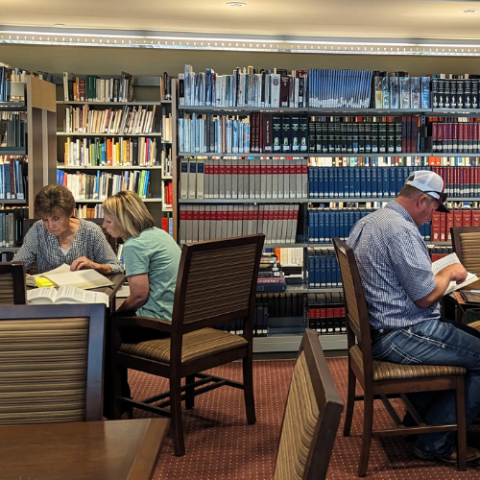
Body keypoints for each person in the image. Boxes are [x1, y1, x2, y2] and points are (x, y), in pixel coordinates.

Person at [347, 170, 480, 464]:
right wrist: (447, 273)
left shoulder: (370, 221)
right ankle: (435, 443)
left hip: (381, 328)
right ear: (422, 200)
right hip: (400, 334)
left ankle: (422, 421)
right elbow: (425, 297)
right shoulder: (401, 230)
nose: (433, 216)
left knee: (469, 338)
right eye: (434, 208)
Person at [102, 190, 181, 320]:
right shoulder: (159, 233)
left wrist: (116, 314)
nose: (104, 226)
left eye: (108, 221)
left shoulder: (135, 245)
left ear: (123, 221)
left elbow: (139, 297)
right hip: (176, 314)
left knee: (105, 325)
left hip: (157, 319)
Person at [14, 184, 123, 274]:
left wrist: (96, 266)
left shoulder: (91, 231)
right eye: (45, 220)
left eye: (56, 219)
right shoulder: (38, 230)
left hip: (84, 296)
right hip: (47, 297)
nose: (50, 226)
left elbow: (117, 267)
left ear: (70, 213)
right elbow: (16, 266)